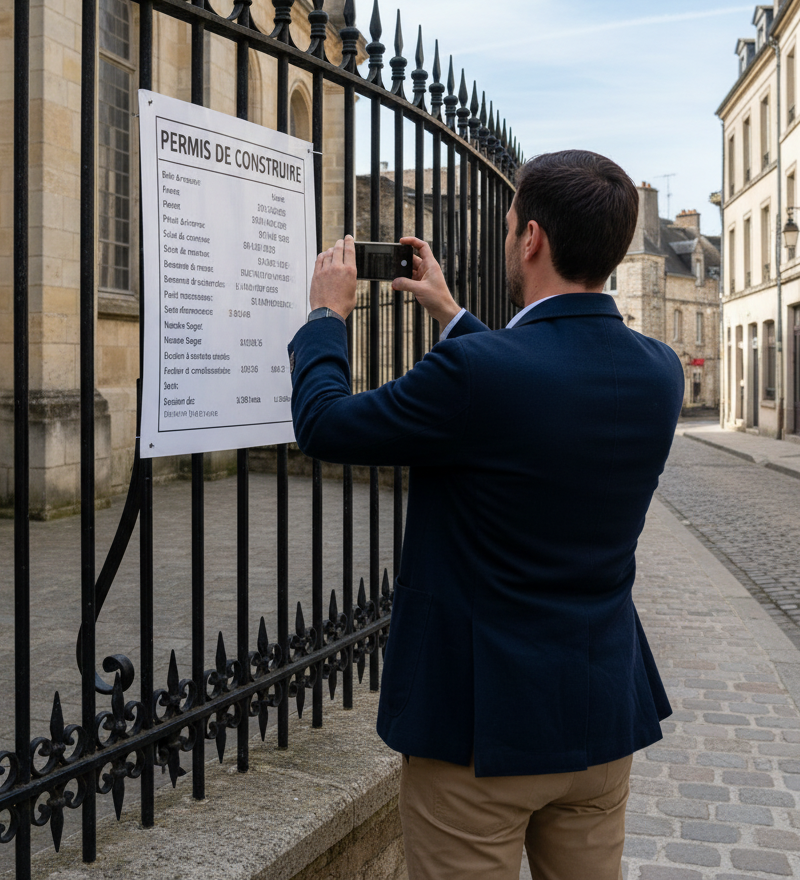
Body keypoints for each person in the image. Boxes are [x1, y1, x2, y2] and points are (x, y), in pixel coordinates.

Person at [286, 150, 684, 880]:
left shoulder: (479, 375)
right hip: (601, 723)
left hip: (483, 736)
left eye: (508, 229)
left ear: (530, 239)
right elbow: (539, 383)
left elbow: (325, 425)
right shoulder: (658, 370)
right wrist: (447, 310)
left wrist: (325, 316)